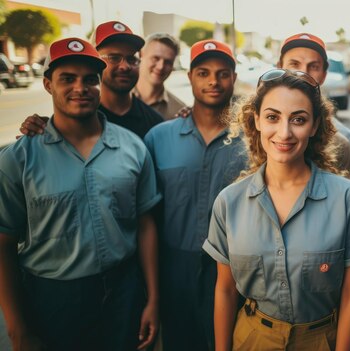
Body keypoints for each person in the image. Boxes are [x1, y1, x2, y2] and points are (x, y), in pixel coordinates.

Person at [0, 37, 161, 351]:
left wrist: (153, 299)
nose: (80, 88)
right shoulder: (18, 159)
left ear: (100, 84)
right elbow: (3, 243)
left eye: (90, 79)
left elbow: (145, 224)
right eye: (67, 79)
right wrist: (17, 328)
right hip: (52, 300)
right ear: (48, 85)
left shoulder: (132, 148)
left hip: (123, 293)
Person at [204, 69, 350, 350]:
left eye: (298, 119)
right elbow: (225, 290)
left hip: (321, 340)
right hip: (252, 338)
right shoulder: (229, 202)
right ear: (257, 121)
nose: (284, 133)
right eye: (273, 117)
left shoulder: (349, 199)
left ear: (314, 126)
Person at [144, 39, 247, 351]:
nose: (213, 81)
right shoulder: (158, 138)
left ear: (234, 77)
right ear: (189, 76)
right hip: (175, 268)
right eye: (203, 72)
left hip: (236, 268)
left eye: (223, 73)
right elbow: (147, 214)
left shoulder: (254, 140)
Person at [19, 21, 163, 139]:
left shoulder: (155, 123)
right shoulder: (75, 117)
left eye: (132, 59)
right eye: (114, 58)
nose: (125, 66)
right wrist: (46, 129)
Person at [277, 33, 350, 175]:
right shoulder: (259, 132)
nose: (303, 74)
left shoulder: (341, 142)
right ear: (280, 68)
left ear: (324, 75)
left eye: (313, 67)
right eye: (294, 64)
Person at [133, 32, 186, 120]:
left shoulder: (179, 112)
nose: (160, 67)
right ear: (140, 55)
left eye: (168, 62)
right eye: (155, 58)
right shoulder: (118, 96)